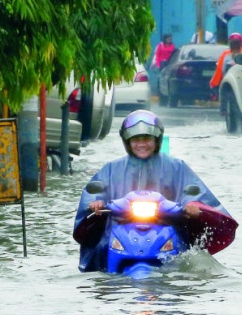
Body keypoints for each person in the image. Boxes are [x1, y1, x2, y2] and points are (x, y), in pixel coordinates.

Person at [72, 110, 231, 272]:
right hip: (119, 231)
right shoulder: (111, 168)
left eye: (147, 139)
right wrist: (96, 203)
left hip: (168, 229)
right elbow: (95, 190)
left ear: (157, 140)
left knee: (185, 259)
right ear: (127, 141)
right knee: (99, 253)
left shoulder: (177, 166)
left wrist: (191, 204)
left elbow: (193, 191)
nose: (142, 144)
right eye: (136, 140)